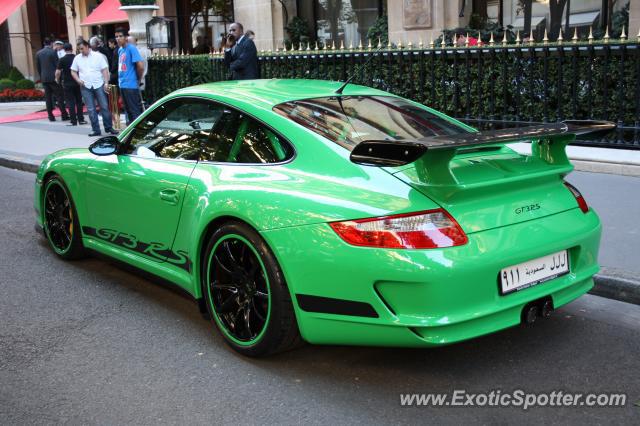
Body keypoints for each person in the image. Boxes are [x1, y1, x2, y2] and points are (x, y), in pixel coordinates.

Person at [70, 40, 118, 137]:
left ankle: (109, 127)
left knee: (104, 106)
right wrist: (78, 80)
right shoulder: (77, 58)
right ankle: (95, 129)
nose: (81, 51)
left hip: (99, 84)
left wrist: (106, 83)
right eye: (79, 49)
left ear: (88, 46)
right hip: (85, 86)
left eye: (82, 48)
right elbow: (73, 71)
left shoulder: (98, 56)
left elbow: (104, 69)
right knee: (91, 109)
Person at [35, 37, 69, 122]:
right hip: (54, 78)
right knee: (59, 96)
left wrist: (42, 76)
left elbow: (38, 67)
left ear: (44, 43)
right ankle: (64, 115)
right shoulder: (53, 52)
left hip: (44, 78)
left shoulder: (38, 53)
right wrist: (59, 78)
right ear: (51, 44)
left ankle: (50, 116)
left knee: (48, 98)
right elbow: (57, 66)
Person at [115, 27, 144, 124]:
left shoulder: (131, 48)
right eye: (116, 36)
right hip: (122, 84)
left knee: (134, 111)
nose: (118, 38)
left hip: (130, 84)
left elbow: (140, 66)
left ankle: (137, 133)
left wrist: (138, 79)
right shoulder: (120, 50)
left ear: (126, 37)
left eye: (120, 36)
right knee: (127, 111)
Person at [55, 43, 85, 126]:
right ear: (72, 49)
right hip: (77, 81)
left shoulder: (62, 59)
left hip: (67, 83)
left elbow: (58, 72)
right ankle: (81, 119)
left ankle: (73, 121)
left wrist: (57, 80)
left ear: (64, 50)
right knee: (79, 101)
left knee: (70, 102)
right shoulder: (77, 57)